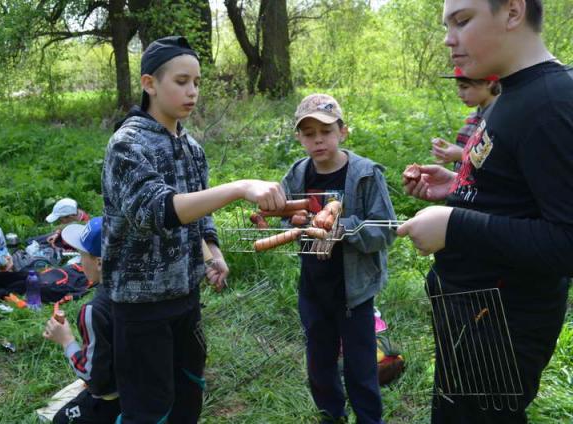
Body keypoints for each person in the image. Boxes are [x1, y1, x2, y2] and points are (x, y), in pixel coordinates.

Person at [397, 0, 573, 422]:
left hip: (501, 330)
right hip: (472, 315)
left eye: (462, 20)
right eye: (447, 24)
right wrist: (457, 186)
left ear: (513, 11)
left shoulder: (552, 101)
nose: (448, 38)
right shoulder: (514, 91)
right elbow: (516, 194)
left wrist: (455, 225)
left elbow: (567, 241)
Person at [102, 35, 286, 423]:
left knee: (188, 394)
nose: (192, 91)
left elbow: (199, 214)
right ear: (150, 83)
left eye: (198, 82)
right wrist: (239, 188)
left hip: (186, 298)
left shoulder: (192, 147)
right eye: (181, 81)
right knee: (149, 408)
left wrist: (212, 252)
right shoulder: (127, 145)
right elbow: (158, 210)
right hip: (140, 307)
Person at [281, 94, 396, 424]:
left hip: (354, 292)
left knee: (361, 366)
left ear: (343, 132)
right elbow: (282, 217)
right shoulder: (297, 174)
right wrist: (290, 221)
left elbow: (386, 231)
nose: (318, 140)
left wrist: (342, 229)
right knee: (319, 362)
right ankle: (332, 415)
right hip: (313, 288)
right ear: (299, 138)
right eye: (308, 133)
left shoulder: (364, 174)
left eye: (326, 131)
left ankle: (369, 419)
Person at [43, 217, 120, 424]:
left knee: (60, 419)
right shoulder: (145, 294)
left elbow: (94, 379)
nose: (79, 261)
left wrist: (66, 340)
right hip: (150, 392)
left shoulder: (93, 311)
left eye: (82, 254)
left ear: (99, 262)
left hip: (115, 403)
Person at [431, 67, 500, 170]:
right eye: (458, 87)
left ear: (489, 83)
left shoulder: (500, 119)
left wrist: (461, 155)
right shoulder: (472, 118)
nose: (459, 94)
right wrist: (447, 152)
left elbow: (501, 165)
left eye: (464, 87)